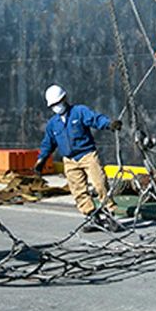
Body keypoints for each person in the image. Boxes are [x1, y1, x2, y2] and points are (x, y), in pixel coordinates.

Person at [34, 85, 122, 231]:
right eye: (54, 105)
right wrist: (41, 159)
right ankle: (92, 217)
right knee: (78, 190)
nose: (57, 106)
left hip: (87, 155)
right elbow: (48, 143)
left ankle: (110, 214)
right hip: (69, 160)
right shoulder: (52, 124)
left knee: (100, 184)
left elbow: (95, 119)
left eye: (58, 103)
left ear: (64, 99)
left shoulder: (79, 112)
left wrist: (109, 124)